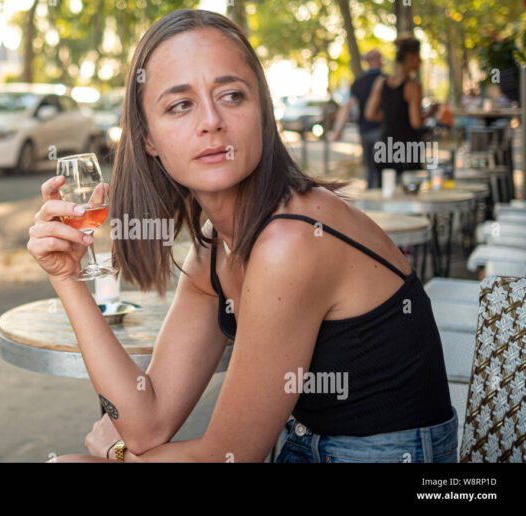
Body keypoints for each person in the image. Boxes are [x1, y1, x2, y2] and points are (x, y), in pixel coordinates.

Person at [27, 9, 457, 463]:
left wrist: (115, 456)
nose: (211, 121)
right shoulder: (215, 247)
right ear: (148, 139)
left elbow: (230, 455)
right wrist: (67, 278)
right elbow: (147, 420)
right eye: (180, 105)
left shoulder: (291, 241)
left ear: (263, 113)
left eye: (232, 95)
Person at [365, 36, 438, 185]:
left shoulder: (381, 83)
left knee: (386, 194)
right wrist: (431, 112)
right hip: (406, 149)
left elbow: (370, 114)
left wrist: (391, 117)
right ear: (411, 57)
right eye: (418, 57)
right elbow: (416, 122)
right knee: (409, 195)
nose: (420, 61)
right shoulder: (413, 86)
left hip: (384, 147)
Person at [331, 49, 385, 189]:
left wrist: (338, 130)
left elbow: (347, 107)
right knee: (382, 168)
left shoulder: (358, 82)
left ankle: (373, 198)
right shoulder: (386, 80)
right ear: (378, 60)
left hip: (364, 130)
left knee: (369, 168)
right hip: (382, 130)